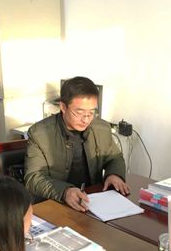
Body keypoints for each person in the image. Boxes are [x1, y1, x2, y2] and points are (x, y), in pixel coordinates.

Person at [25, 76, 129, 211]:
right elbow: (34, 178)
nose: (86, 119)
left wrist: (114, 174)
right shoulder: (39, 134)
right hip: (55, 203)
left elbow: (114, 157)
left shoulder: (102, 128)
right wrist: (65, 191)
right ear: (63, 107)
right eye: (79, 112)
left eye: (91, 112)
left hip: (92, 202)